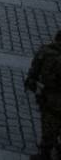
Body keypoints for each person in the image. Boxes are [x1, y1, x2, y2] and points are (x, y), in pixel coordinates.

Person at [26, 29, 61, 160]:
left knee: (48, 127)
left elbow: (34, 73)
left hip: (50, 99)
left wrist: (32, 84)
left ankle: (45, 154)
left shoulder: (46, 52)